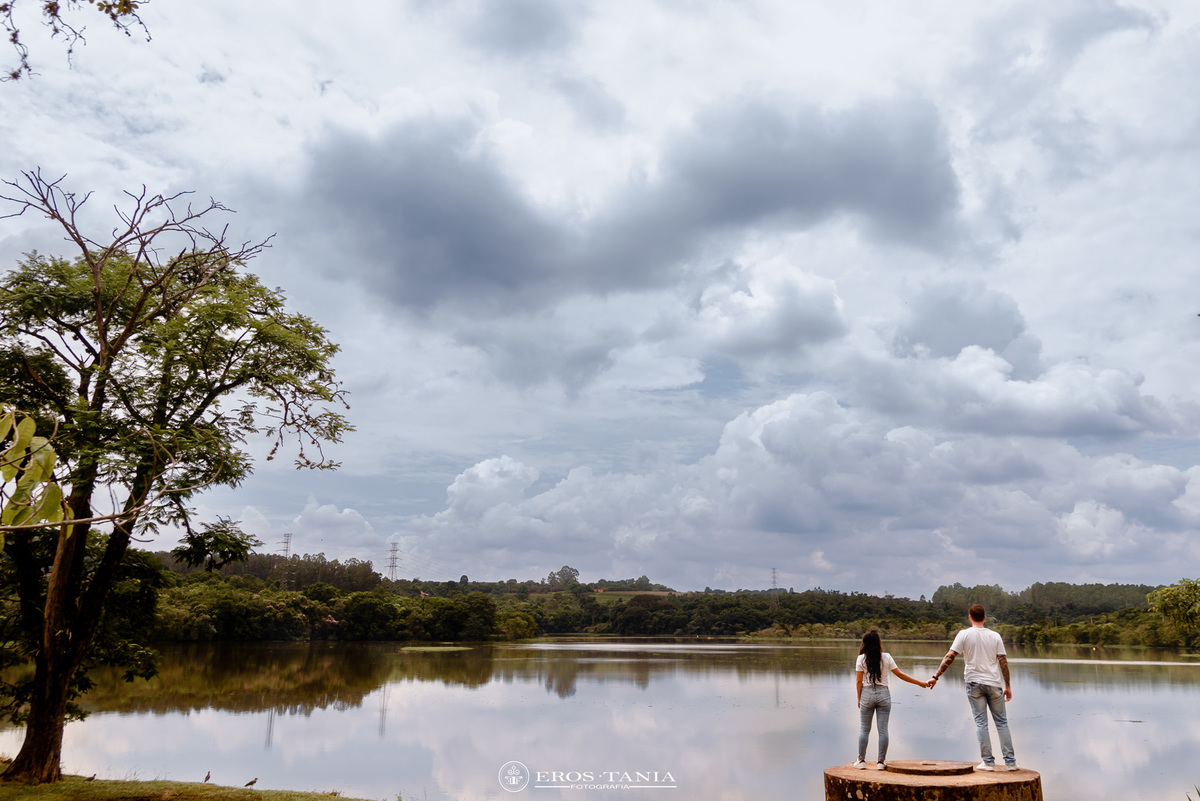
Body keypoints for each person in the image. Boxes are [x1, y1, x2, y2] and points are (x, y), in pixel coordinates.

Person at [929, 604, 1018, 771]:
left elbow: (950, 656)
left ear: (970, 617)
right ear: (984, 618)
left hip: (974, 684)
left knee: (981, 723)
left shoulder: (963, 634)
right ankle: (1011, 763)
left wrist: (935, 676)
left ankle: (988, 763)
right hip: (994, 684)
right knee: (1002, 723)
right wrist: (1008, 685)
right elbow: (1003, 662)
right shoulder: (995, 636)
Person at [854, 629, 929, 770]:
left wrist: (859, 698)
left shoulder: (861, 659)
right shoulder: (886, 657)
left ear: (864, 643)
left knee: (864, 730)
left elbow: (859, 682)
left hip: (867, 694)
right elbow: (900, 674)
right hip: (884, 694)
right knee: (883, 730)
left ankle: (861, 760)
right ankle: (881, 762)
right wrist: (920, 682)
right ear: (878, 643)